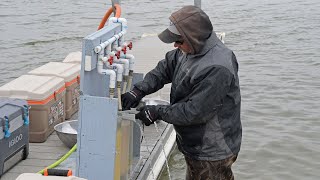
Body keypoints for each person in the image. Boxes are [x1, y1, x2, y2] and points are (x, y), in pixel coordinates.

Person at [122, 5, 242, 180]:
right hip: (195, 144)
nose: (175, 44)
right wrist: (138, 90)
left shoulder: (218, 66)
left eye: (179, 40)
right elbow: (164, 69)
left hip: (212, 150)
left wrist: (157, 112)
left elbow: (194, 112)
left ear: (193, 37)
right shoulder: (187, 50)